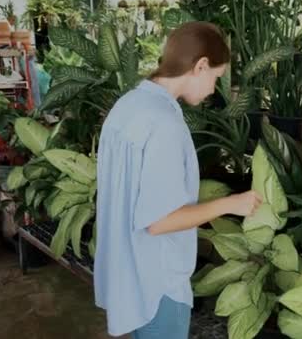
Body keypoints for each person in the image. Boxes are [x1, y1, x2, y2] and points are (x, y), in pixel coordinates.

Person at [94, 21, 262, 339]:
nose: (214, 90)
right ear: (200, 66)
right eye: (215, 78)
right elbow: (159, 221)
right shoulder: (164, 124)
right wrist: (232, 203)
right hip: (159, 285)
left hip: (128, 275)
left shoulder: (126, 106)